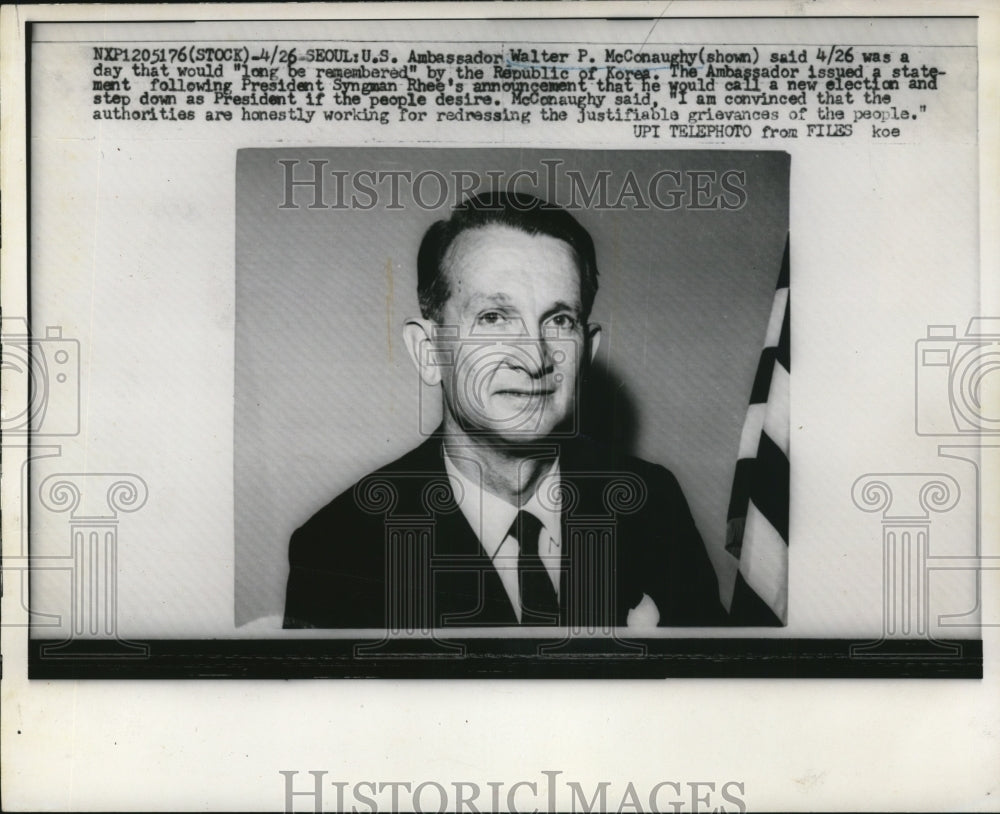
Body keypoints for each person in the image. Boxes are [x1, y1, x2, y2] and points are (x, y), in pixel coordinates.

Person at [283, 191, 727, 629]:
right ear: (429, 351)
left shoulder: (652, 504)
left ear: (585, 354)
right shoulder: (339, 549)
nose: (534, 357)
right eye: (494, 317)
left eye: (559, 321)